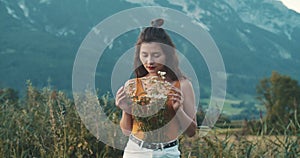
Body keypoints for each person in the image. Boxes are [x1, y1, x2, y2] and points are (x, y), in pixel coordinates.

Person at [115, 18, 197, 158]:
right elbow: (127, 131)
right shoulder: (134, 85)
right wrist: (125, 110)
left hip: (167, 152)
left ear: (167, 55)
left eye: (156, 55)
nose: (149, 61)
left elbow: (191, 132)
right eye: (144, 55)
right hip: (136, 151)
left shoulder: (182, 85)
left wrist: (178, 109)